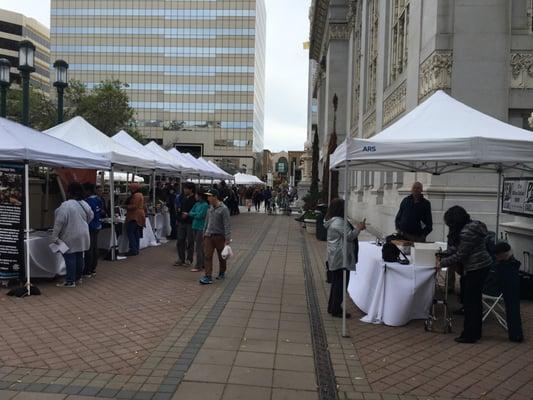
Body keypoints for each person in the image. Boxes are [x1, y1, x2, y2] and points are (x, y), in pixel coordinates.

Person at [438, 206, 493, 343]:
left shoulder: (467, 232)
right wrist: (445, 253)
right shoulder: (471, 227)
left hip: (476, 268)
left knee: (471, 303)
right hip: (480, 266)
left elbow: (461, 254)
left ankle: (469, 334)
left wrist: (442, 263)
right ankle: (475, 332)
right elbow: (458, 247)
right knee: (474, 301)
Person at [324, 198, 366, 318]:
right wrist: (359, 228)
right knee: (341, 284)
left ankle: (333, 306)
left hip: (337, 255)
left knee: (337, 283)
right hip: (340, 257)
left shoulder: (336, 221)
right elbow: (349, 236)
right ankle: (336, 308)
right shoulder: (338, 222)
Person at [52, 182, 94, 288]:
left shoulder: (65, 205)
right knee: (80, 255)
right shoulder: (84, 203)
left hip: (69, 235)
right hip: (83, 233)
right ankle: (78, 278)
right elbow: (91, 216)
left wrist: (54, 236)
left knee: (69, 256)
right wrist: (83, 224)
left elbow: (59, 222)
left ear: (69, 192)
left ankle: (70, 281)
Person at [493, 242, 524, 342]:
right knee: (513, 308)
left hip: (499, 288)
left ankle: (515, 334)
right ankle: (516, 334)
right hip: (510, 288)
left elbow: (495, 282)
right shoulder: (512, 264)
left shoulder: (502, 267)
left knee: (512, 308)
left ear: (501, 255)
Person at [200, 189, 231, 285]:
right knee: (207, 256)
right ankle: (208, 276)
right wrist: (204, 233)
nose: (208, 198)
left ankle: (222, 271)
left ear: (215, 197)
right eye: (208, 196)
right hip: (208, 235)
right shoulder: (210, 208)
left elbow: (227, 224)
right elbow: (206, 221)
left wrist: (227, 238)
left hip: (219, 236)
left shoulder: (224, 209)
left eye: (210, 196)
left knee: (221, 256)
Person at [82, 182, 103, 278]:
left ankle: (87, 270)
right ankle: (93, 268)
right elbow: (101, 211)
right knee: (94, 248)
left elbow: (88, 215)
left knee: (89, 249)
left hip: (90, 227)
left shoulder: (87, 201)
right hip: (97, 226)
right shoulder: (98, 199)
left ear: (88, 191)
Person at [175, 182, 197, 266]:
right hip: (182, 221)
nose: (184, 190)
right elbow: (179, 208)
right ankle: (181, 258)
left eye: (186, 188)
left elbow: (196, 210)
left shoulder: (195, 198)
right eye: (184, 188)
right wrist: (179, 217)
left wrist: (188, 215)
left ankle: (189, 259)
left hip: (190, 222)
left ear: (190, 189)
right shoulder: (182, 197)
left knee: (190, 241)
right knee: (180, 240)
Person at [188, 188, 209, 272]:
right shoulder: (196, 204)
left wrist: (194, 214)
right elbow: (190, 212)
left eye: (196, 195)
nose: (195, 196)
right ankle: (202, 263)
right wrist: (194, 214)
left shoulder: (205, 205)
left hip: (201, 227)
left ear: (200, 196)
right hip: (195, 226)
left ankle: (198, 265)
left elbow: (200, 216)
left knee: (199, 247)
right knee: (199, 246)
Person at [125, 182, 146, 256]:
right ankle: (136, 249)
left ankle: (133, 250)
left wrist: (126, 206)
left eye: (130, 188)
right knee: (136, 233)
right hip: (138, 216)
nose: (129, 189)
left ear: (134, 188)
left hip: (134, 216)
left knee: (131, 232)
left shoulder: (136, 195)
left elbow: (134, 206)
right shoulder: (139, 194)